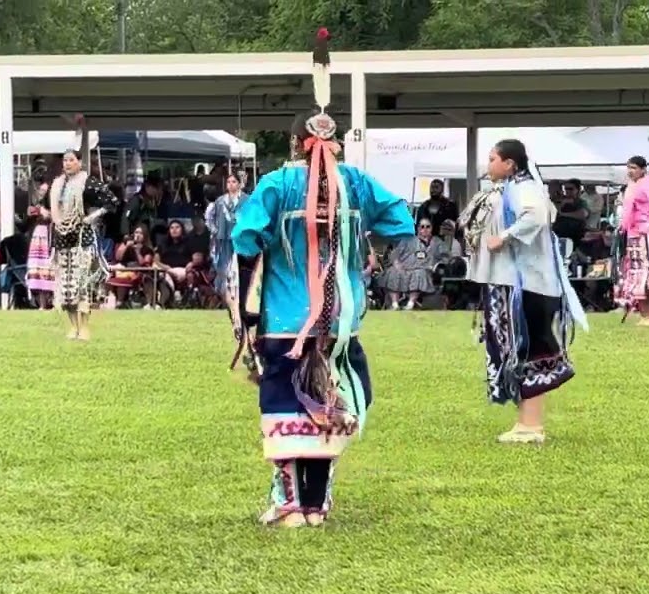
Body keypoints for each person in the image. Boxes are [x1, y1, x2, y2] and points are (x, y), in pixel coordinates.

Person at [229, 27, 414, 528]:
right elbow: (402, 220)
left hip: (285, 324)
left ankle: (290, 503)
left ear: (294, 142)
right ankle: (317, 503)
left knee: (286, 405)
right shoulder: (355, 184)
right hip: (340, 322)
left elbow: (244, 239)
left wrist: (271, 253)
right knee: (334, 400)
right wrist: (358, 240)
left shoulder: (277, 183)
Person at [460, 139, 588, 444]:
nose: (488, 165)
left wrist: (503, 237)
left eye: (493, 159)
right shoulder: (509, 187)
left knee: (528, 349)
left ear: (510, 164)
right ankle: (525, 422)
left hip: (527, 285)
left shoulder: (523, 188)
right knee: (516, 350)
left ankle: (531, 425)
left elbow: (537, 215)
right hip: (515, 283)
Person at [37, 146, 119, 340]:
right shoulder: (56, 185)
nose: (67, 164)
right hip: (62, 238)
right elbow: (47, 207)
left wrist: (93, 216)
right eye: (65, 160)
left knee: (82, 284)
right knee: (66, 287)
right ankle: (73, 326)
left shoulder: (87, 183)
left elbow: (112, 201)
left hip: (83, 238)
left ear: (79, 162)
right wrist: (47, 213)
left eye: (71, 160)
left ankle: (84, 327)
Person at [615, 155, 649, 325]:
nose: (630, 171)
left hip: (648, 235)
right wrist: (623, 226)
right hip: (633, 234)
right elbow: (628, 210)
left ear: (643, 170)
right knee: (636, 274)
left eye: (634, 168)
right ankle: (645, 314)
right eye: (628, 167)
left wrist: (648, 224)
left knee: (648, 273)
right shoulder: (632, 185)